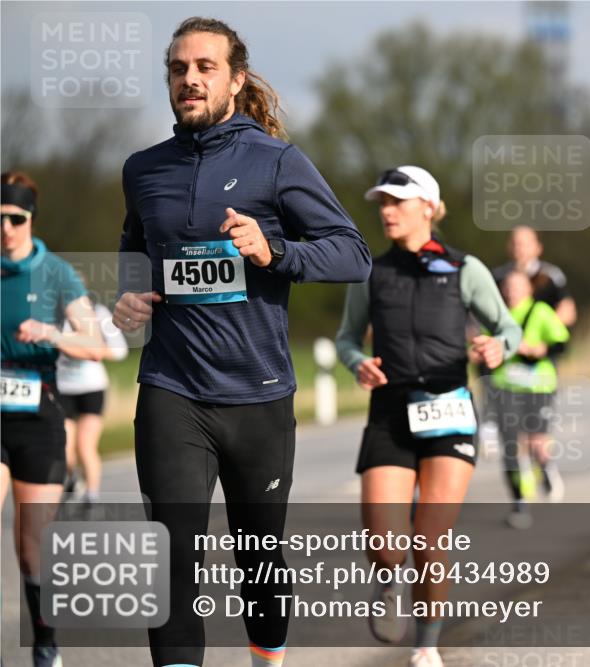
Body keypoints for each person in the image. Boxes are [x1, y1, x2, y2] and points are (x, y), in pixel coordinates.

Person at [112, 17, 371, 667]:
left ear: (235, 78)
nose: (190, 79)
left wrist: (272, 249)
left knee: (258, 555)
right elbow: (133, 251)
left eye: (204, 67)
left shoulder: (277, 162)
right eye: (178, 68)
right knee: (170, 555)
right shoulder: (144, 170)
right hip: (173, 390)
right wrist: (130, 300)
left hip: (257, 394)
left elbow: (353, 253)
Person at [336, 165, 520, 667]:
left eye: (397, 201)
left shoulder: (466, 269)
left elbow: (508, 329)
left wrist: (498, 348)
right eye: (383, 204)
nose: (388, 211)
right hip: (390, 412)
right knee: (383, 543)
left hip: (449, 408)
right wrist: (358, 364)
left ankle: (427, 644)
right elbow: (347, 339)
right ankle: (389, 578)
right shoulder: (370, 272)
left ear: (429, 208)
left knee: (429, 537)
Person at [2, 170, 106, 667]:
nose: (5, 228)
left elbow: (98, 346)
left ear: (31, 220)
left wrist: (50, 332)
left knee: (32, 550)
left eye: (15, 219)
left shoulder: (57, 274)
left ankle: (46, 645)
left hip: (38, 418)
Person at [491, 270, 570, 528]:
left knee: (536, 440)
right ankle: (519, 502)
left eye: (516, 287)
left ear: (528, 289)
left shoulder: (541, 312)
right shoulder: (495, 315)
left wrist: (538, 350)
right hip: (505, 386)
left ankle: (545, 468)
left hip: (538, 386)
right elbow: (483, 344)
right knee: (511, 445)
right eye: (507, 287)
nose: (511, 292)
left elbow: (562, 342)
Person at [57, 301, 128, 502]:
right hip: (63, 387)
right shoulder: (51, 314)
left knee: (85, 446)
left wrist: (86, 351)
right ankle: (73, 480)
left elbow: (119, 351)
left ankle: (92, 495)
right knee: (65, 447)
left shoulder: (98, 313)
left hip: (92, 387)